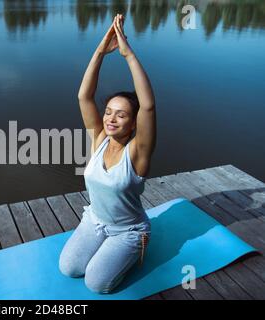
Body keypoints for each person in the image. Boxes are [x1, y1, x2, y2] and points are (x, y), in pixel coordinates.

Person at [59, 14, 157, 294]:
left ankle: (139, 246)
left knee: (96, 284)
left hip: (128, 230)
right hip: (95, 221)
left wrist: (127, 53)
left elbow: (148, 106)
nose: (111, 119)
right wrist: (101, 51)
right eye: (109, 112)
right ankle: (104, 246)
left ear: (134, 122)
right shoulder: (99, 139)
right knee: (68, 268)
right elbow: (84, 97)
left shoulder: (137, 153)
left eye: (122, 115)